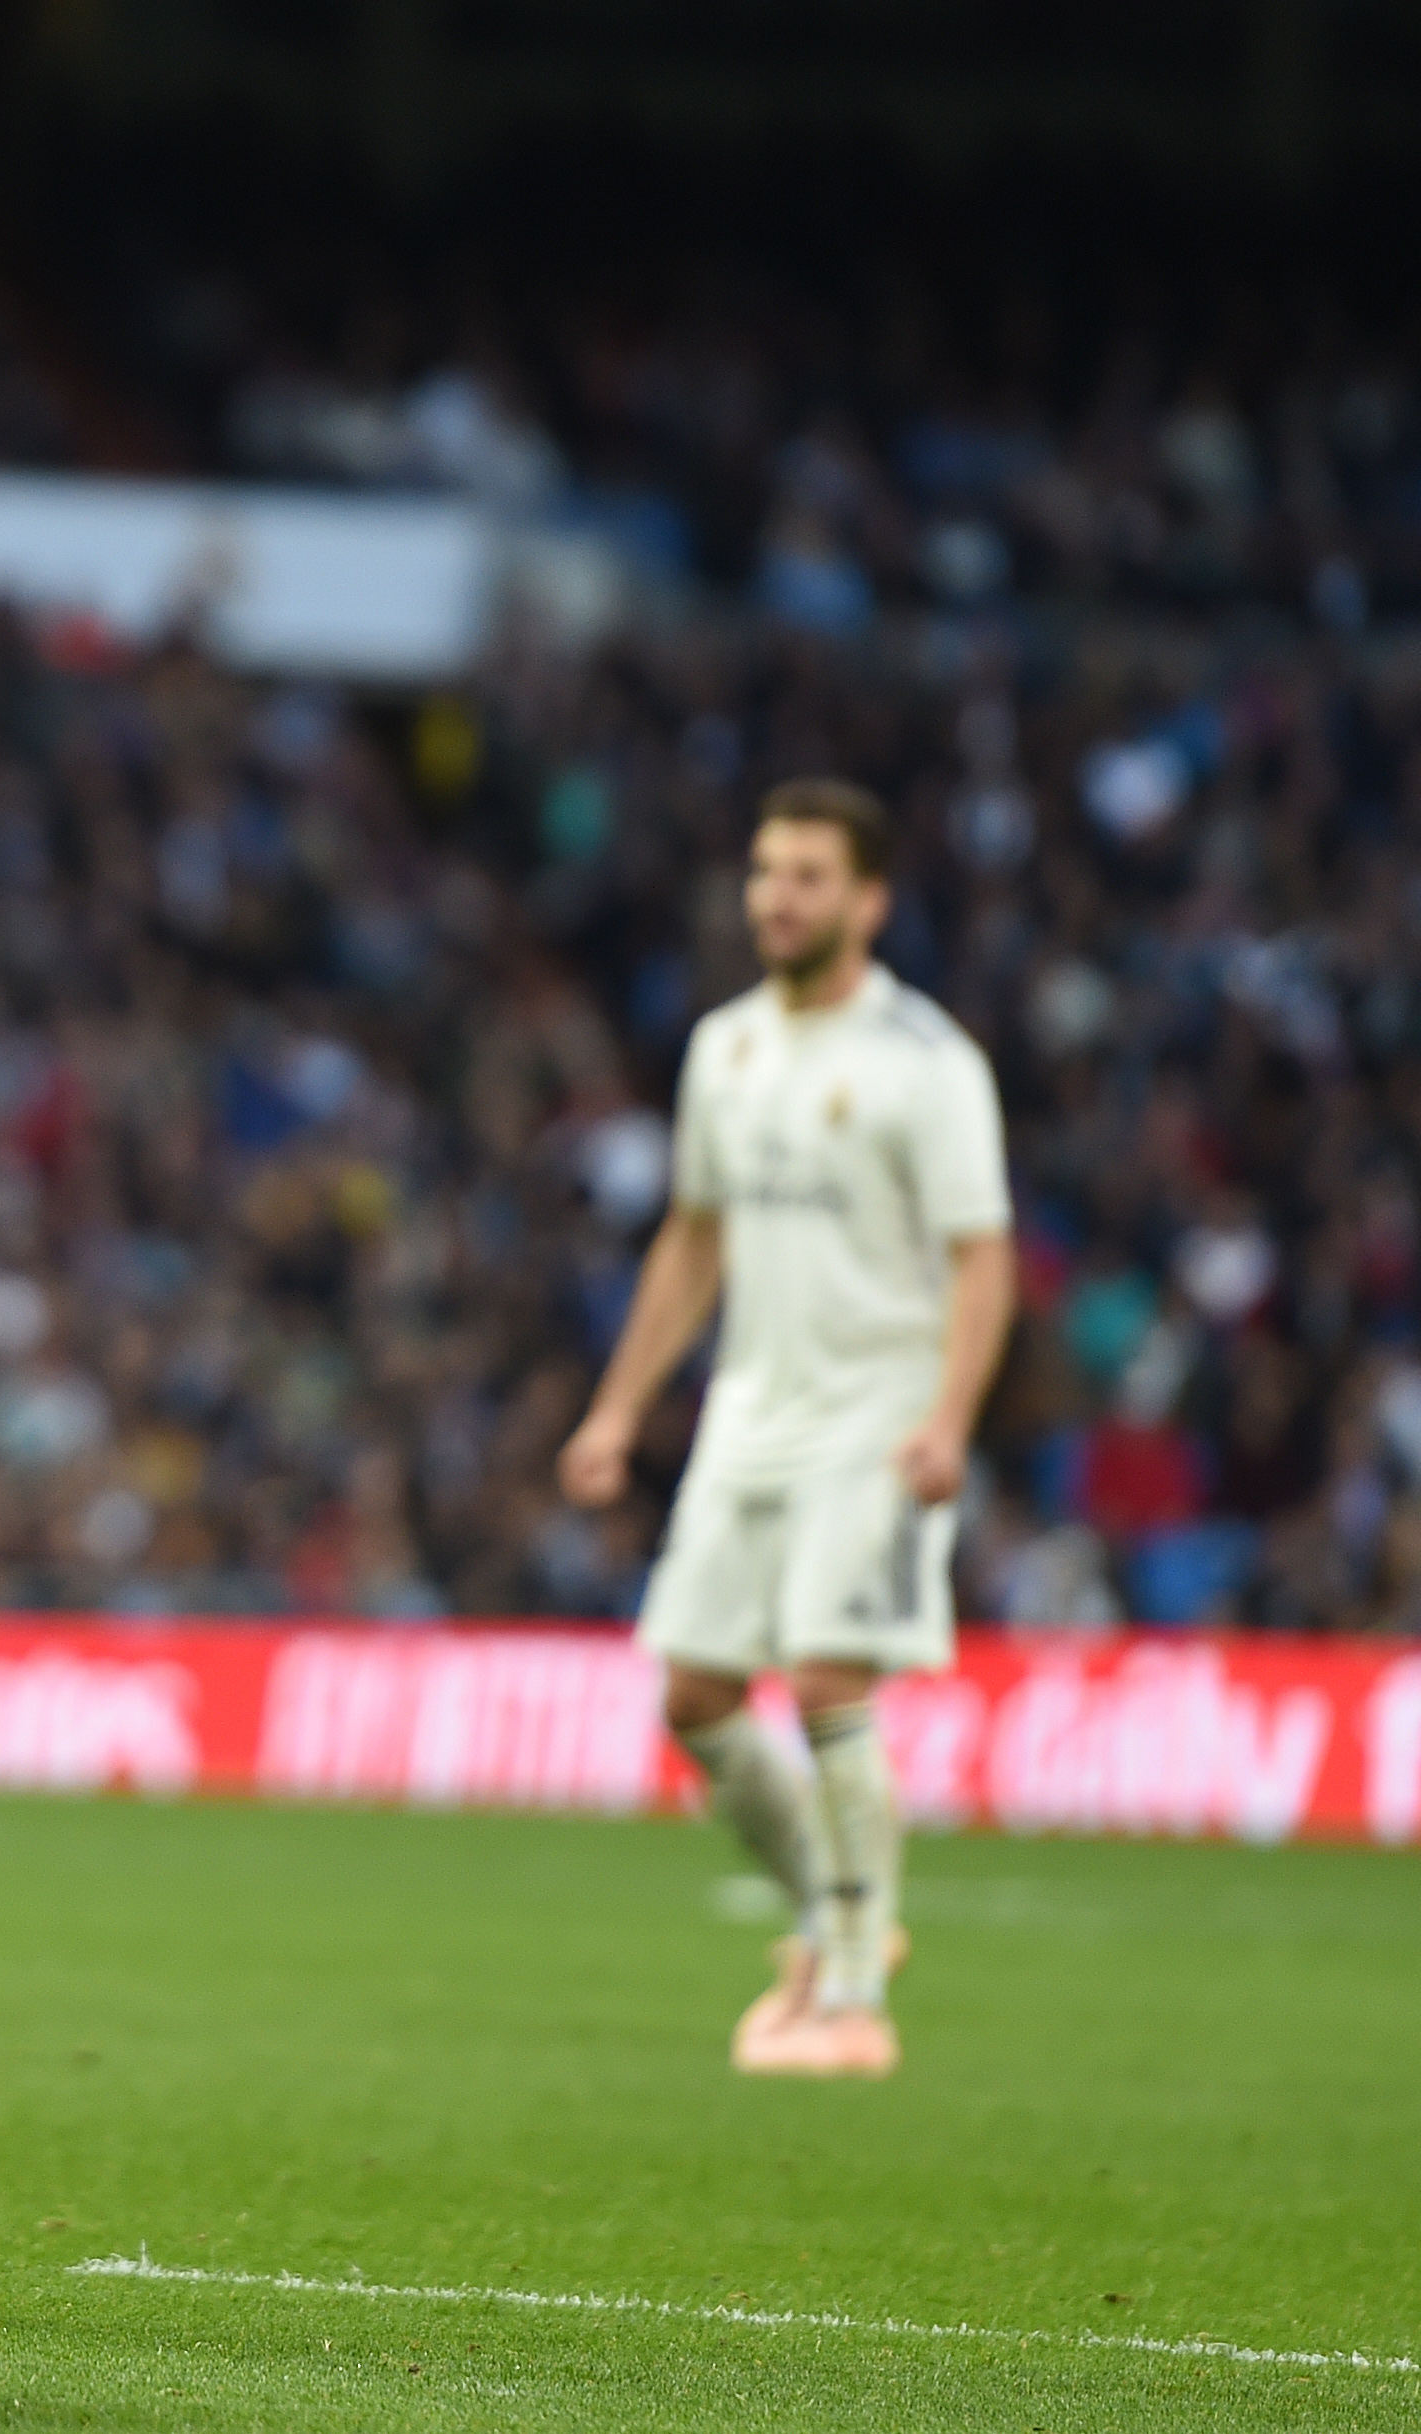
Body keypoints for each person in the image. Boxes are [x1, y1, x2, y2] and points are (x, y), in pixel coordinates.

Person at [558, 779, 1015, 2079]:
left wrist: (948, 1419)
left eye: (810, 874)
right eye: (767, 870)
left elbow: (982, 1259)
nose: (779, 895)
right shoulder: (727, 1047)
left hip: (875, 1415)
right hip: (751, 1414)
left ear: (868, 900)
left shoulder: (925, 1061)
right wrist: (620, 1407)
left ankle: (859, 1995)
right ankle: (832, 1909)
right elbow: (693, 1236)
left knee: (825, 1675)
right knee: (696, 1692)